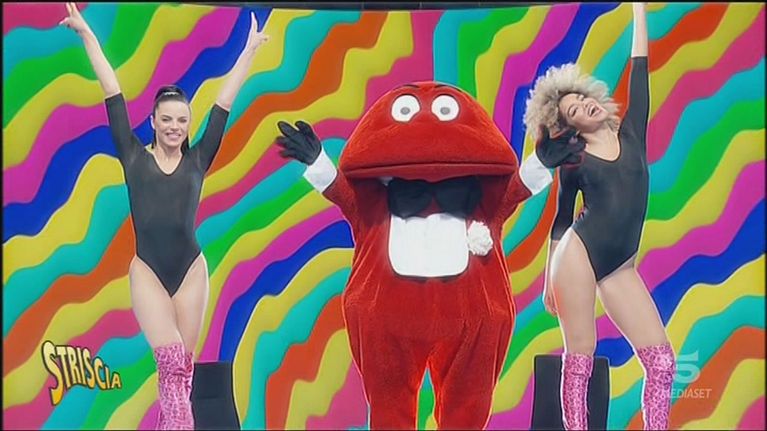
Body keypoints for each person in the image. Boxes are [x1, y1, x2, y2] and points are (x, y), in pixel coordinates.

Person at [60, 3, 269, 429]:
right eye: (167, 119)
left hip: (191, 272)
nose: (175, 126)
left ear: (188, 125)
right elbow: (112, 90)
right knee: (171, 362)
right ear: (154, 122)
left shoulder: (198, 160)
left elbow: (224, 102)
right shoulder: (133, 156)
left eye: (182, 120)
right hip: (148, 272)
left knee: (181, 376)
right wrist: (88, 36)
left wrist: (248, 51)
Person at [524, 3, 675, 430]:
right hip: (578, 256)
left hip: (621, 266)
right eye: (574, 110)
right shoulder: (574, 162)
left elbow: (639, 68)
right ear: (570, 128)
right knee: (580, 359)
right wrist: (548, 280)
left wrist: (639, 10)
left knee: (662, 363)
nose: (585, 106)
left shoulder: (633, 132)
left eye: (584, 99)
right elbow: (561, 219)